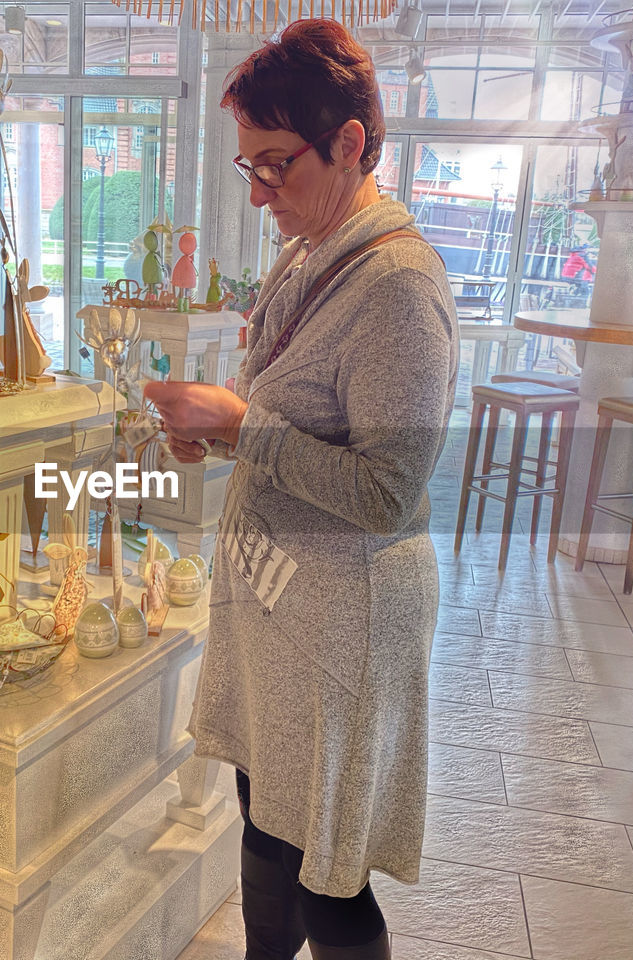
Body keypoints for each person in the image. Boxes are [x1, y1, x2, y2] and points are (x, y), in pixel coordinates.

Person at [143, 19, 459, 960]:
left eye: (276, 164)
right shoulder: (314, 248)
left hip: (341, 622)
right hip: (284, 602)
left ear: (351, 144)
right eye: (249, 167)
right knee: (268, 823)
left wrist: (244, 429)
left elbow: (391, 491)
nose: (261, 190)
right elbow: (296, 409)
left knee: (327, 868)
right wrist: (220, 429)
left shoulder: (399, 284)